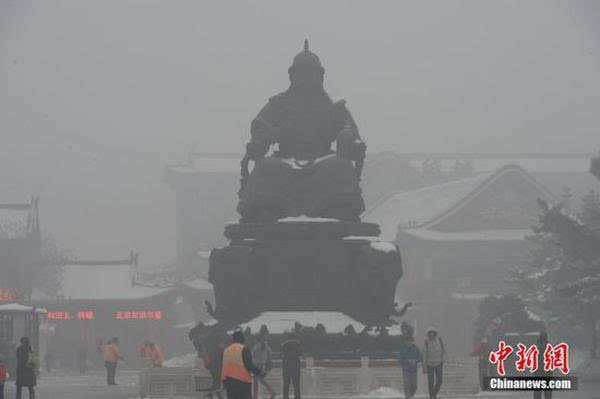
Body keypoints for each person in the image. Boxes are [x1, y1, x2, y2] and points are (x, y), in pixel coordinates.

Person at [221, 330, 264, 399]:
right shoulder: (244, 349)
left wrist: (224, 381)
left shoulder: (226, 350)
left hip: (229, 381)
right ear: (242, 338)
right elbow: (249, 364)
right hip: (242, 382)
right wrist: (259, 372)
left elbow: (223, 366)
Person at [397, 335, 423, 399]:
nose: (409, 342)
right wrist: (407, 361)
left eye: (410, 341)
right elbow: (399, 360)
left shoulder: (416, 349)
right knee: (407, 385)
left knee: (414, 386)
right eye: (407, 341)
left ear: (412, 341)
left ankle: (410, 396)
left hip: (414, 370)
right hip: (406, 370)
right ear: (405, 342)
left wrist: (415, 361)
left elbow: (420, 357)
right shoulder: (402, 349)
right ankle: (408, 397)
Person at [423, 327, 444, 399]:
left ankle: (434, 393)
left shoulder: (439, 340)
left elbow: (443, 351)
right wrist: (424, 366)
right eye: (430, 333)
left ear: (435, 333)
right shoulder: (426, 342)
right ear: (428, 334)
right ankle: (431, 396)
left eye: (433, 333)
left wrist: (443, 360)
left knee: (440, 381)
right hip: (429, 364)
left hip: (439, 363)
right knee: (430, 381)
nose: (431, 334)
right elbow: (424, 355)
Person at [281, 332, 302, 399]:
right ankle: (297, 397)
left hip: (286, 367)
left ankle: (285, 397)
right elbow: (300, 353)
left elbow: (282, 355)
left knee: (286, 385)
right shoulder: (298, 344)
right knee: (296, 385)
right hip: (296, 367)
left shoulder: (284, 344)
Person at [533, 332, 552, 399]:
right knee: (548, 393)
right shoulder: (549, 346)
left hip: (537, 372)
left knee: (537, 392)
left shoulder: (536, 346)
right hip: (547, 373)